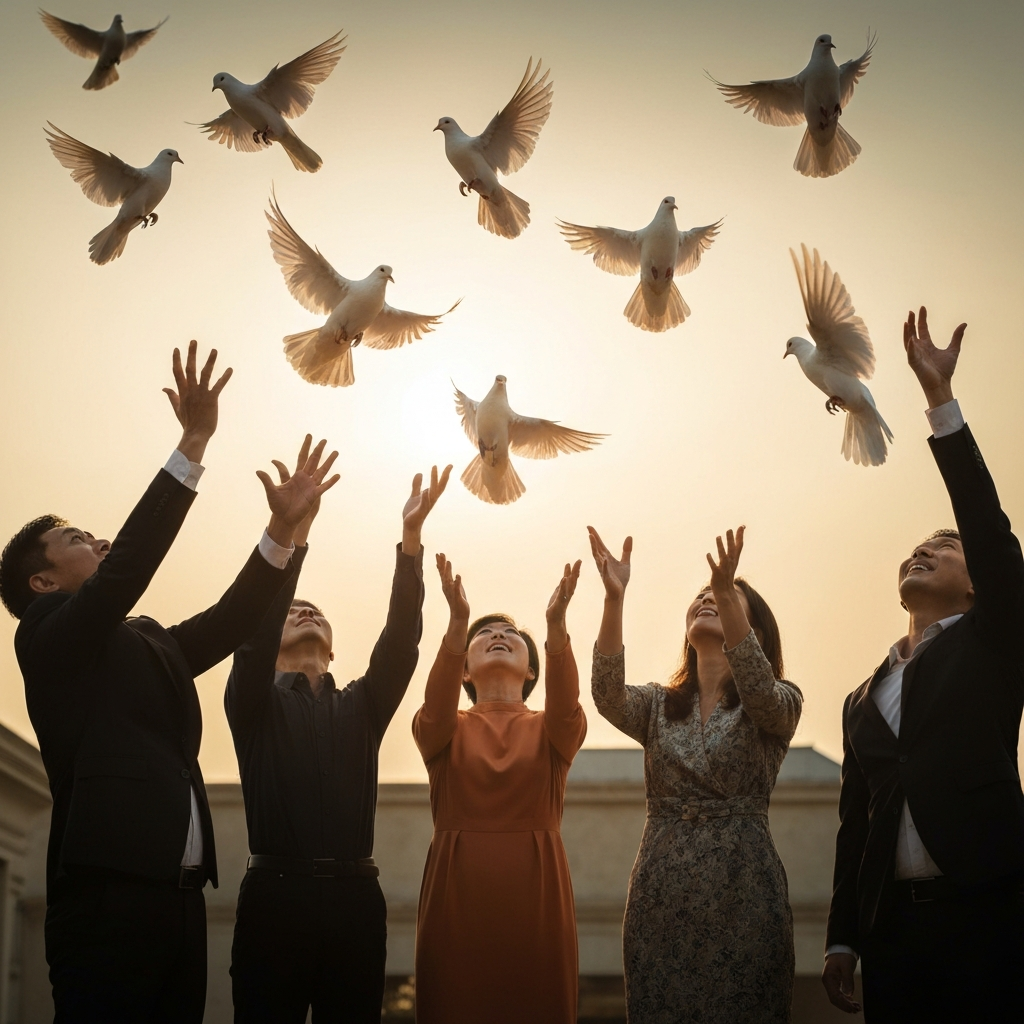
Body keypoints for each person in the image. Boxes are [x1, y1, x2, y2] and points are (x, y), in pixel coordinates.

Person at [0, 341, 339, 1023]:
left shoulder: (146, 639)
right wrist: (193, 441)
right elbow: (123, 573)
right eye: (76, 539)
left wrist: (284, 532)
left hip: (181, 900)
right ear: (41, 581)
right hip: (104, 902)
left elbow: (230, 622)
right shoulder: (45, 634)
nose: (96, 541)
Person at [822, 308, 1024, 1023]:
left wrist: (940, 402)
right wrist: (842, 937)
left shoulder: (994, 639)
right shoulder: (860, 698)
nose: (925, 549)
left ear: (977, 585)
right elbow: (855, 823)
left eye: (946, 547)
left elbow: (990, 532)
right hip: (893, 938)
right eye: (917, 545)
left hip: (990, 917)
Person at [224, 464, 451, 1023]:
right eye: (294, 611)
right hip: (273, 897)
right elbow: (254, 630)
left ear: (332, 648)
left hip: (356, 902)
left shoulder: (363, 705)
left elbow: (402, 637)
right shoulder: (251, 701)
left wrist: (411, 538)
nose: (306, 612)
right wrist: (293, 536)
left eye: (317, 614)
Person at [590, 524, 802, 1024]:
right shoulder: (660, 705)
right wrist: (614, 599)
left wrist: (727, 592)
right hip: (661, 890)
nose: (708, 598)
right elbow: (606, 694)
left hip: (744, 888)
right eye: (702, 596)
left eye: (725, 597)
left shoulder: (780, 699)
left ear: (755, 630)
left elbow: (762, 694)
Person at [412, 554, 587, 1024]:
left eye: (511, 636)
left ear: (533, 671)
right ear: (463, 671)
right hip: (456, 901)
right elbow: (435, 706)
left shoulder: (554, 732)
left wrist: (555, 626)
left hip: (538, 903)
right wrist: (456, 624)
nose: (497, 637)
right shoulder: (441, 730)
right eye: (483, 636)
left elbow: (567, 703)